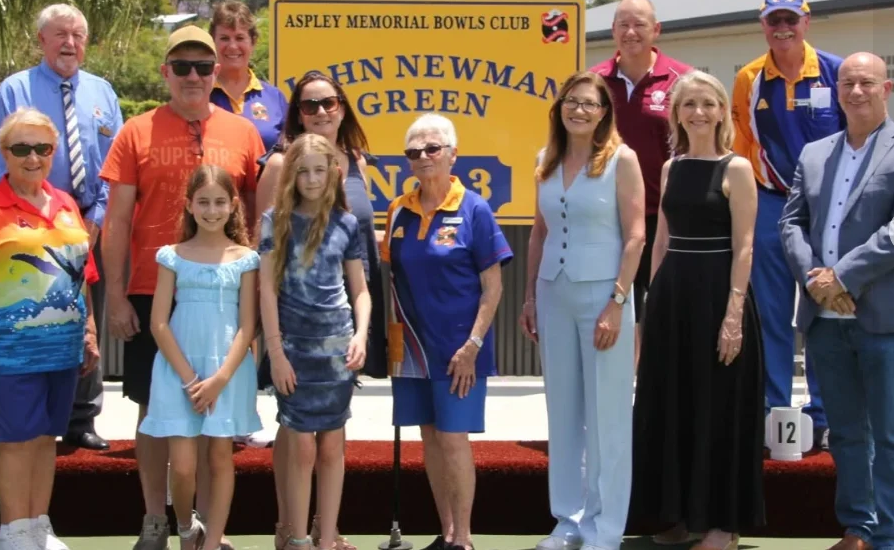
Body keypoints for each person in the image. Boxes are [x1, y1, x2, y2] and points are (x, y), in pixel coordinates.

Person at [100, 24, 265, 550]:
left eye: (203, 66)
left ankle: (208, 532)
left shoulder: (244, 132)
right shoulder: (136, 131)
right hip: (156, 293)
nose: (192, 76)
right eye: (181, 66)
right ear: (165, 72)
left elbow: (256, 218)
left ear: (219, 72)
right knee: (153, 412)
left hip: (222, 300)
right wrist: (117, 294)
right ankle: (156, 519)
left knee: (217, 427)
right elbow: (117, 221)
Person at [0, 108, 100, 550]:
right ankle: (13, 532)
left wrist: (89, 330)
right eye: (21, 148)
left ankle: (38, 526)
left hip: (63, 348)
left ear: (53, 152)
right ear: (3, 153)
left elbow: (82, 276)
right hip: (10, 350)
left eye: (42, 148)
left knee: (45, 438)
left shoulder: (67, 204)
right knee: (15, 439)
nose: (32, 157)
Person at [632, 71, 764, 550]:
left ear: (721, 111)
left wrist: (733, 315)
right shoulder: (671, 168)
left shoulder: (737, 169)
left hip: (719, 295)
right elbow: (662, 240)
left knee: (719, 407)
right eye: (689, 105)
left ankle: (722, 526)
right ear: (677, 113)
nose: (699, 113)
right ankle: (676, 516)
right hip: (672, 298)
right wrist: (650, 312)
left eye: (708, 104)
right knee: (672, 404)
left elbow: (745, 246)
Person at [256, 72, 388, 550]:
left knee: (331, 443)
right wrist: (274, 349)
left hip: (338, 348)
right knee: (297, 442)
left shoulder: (351, 195)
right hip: (292, 345)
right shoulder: (277, 213)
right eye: (310, 105)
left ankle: (326, 534)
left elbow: (361, 287)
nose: (320, 110)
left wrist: (360, 334)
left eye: (328, 102)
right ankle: (290, 531)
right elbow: (265, 283)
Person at [519, 72, 645, 550]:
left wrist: (617, 302)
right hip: (555, 292)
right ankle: (568, 520)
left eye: (589, 104)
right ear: (560, 108)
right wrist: (530, 296)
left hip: (605, 297)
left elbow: (635, 235)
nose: (579, 110)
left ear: (603, 112)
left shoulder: (622, 159)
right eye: (571, 101)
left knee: (608, 414)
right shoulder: (544, 161)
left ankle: (604, 527)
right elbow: (539, 232)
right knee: (564, 411)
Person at [0, 3, 123, 451]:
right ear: (42, 40)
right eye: (60, 34)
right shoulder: (15, 90)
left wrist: (96, 220)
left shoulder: (103, 92)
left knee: (86, 322)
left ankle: (83, 417)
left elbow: (117, 168)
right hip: (32, 229)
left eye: (78, 35)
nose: (70, 43)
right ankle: (40, 414)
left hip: (90, 225)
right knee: (40, 319)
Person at [380, 113, 513, 550]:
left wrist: (473, 344)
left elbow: (493, 287)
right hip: (412, 348)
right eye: (413, 152)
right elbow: (387, 276)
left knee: (454, 439)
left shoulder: (475, 208)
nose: (422, 157)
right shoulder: (399, 209)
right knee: (430, 437)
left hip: (461, 349)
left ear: (453, 154)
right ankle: (447, 532)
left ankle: (465, 539)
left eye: (432, 148)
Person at [778, 52, 894, 550]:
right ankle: (858, 529)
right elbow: (790, 223)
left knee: (888, 436)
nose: (856, 91)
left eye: (866, 82)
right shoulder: (813, 153)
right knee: (845, 434)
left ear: (886, 88)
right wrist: (814, 279)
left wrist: (843, 276)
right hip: (823, 317)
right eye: (847, 82)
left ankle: (888, 534)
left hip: (880, 314)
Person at [732, 0, 844, 448]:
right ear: (763, 25)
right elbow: (740, 144)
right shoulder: (749, 78)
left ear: (806, 22)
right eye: (774, 20)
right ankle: (774, 410)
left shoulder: (836, 72)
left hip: (829, 207)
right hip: (771, 203)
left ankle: (823, 412)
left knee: (823, 309)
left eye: (790, 20)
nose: (783, 28)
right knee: (773, 313)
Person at [139, 165, 263, 550]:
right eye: (204, 202)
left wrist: (221, 379)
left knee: (221, 456)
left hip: (227, 371)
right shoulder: (172, 256)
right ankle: (186, 527)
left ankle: (210, 544)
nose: (212, 210)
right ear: (189, 206)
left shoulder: (246, 258)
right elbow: (159, 323)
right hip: (179, 374)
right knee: (185, 464)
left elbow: (247, 326)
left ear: (233, 205)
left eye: (220, 202)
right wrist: (191, 380)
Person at [590, 0, 691, 366]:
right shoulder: (594, 83)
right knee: (612, 309)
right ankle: (622, 392)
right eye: (622, 25)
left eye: (639, 25)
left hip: (665, 219)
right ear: (613, 30)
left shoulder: (682, 81)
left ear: (656, 30)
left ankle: (657, 394)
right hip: (607, 219)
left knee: (662, 311)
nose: (630, 33)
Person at [209, 0, 288, 151]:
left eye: (240, 38)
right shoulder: (201, 95)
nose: (232, 46)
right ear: (212, 42)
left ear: (253, 41)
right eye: (224, 38)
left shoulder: (275, 98)